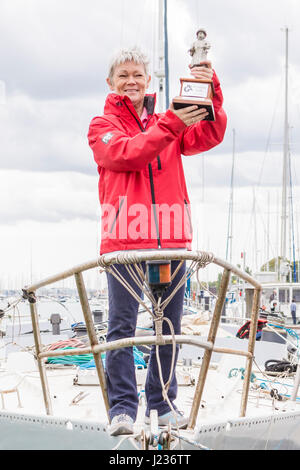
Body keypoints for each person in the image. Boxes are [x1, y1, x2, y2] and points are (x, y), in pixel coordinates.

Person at [88, 47, 227, 436]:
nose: (131, 81)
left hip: (171, 240)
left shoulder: (168, 121)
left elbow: (210, 134)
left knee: (169, 328)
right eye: (123, 75)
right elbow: (128, 154)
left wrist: (210, 87)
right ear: (111, 83)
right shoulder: (101, 125)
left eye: (138, 75)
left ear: (148, 81)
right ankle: (122, 409)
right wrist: (169, 123)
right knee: (121, 329)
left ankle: (163, 405)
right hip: (125, 243)